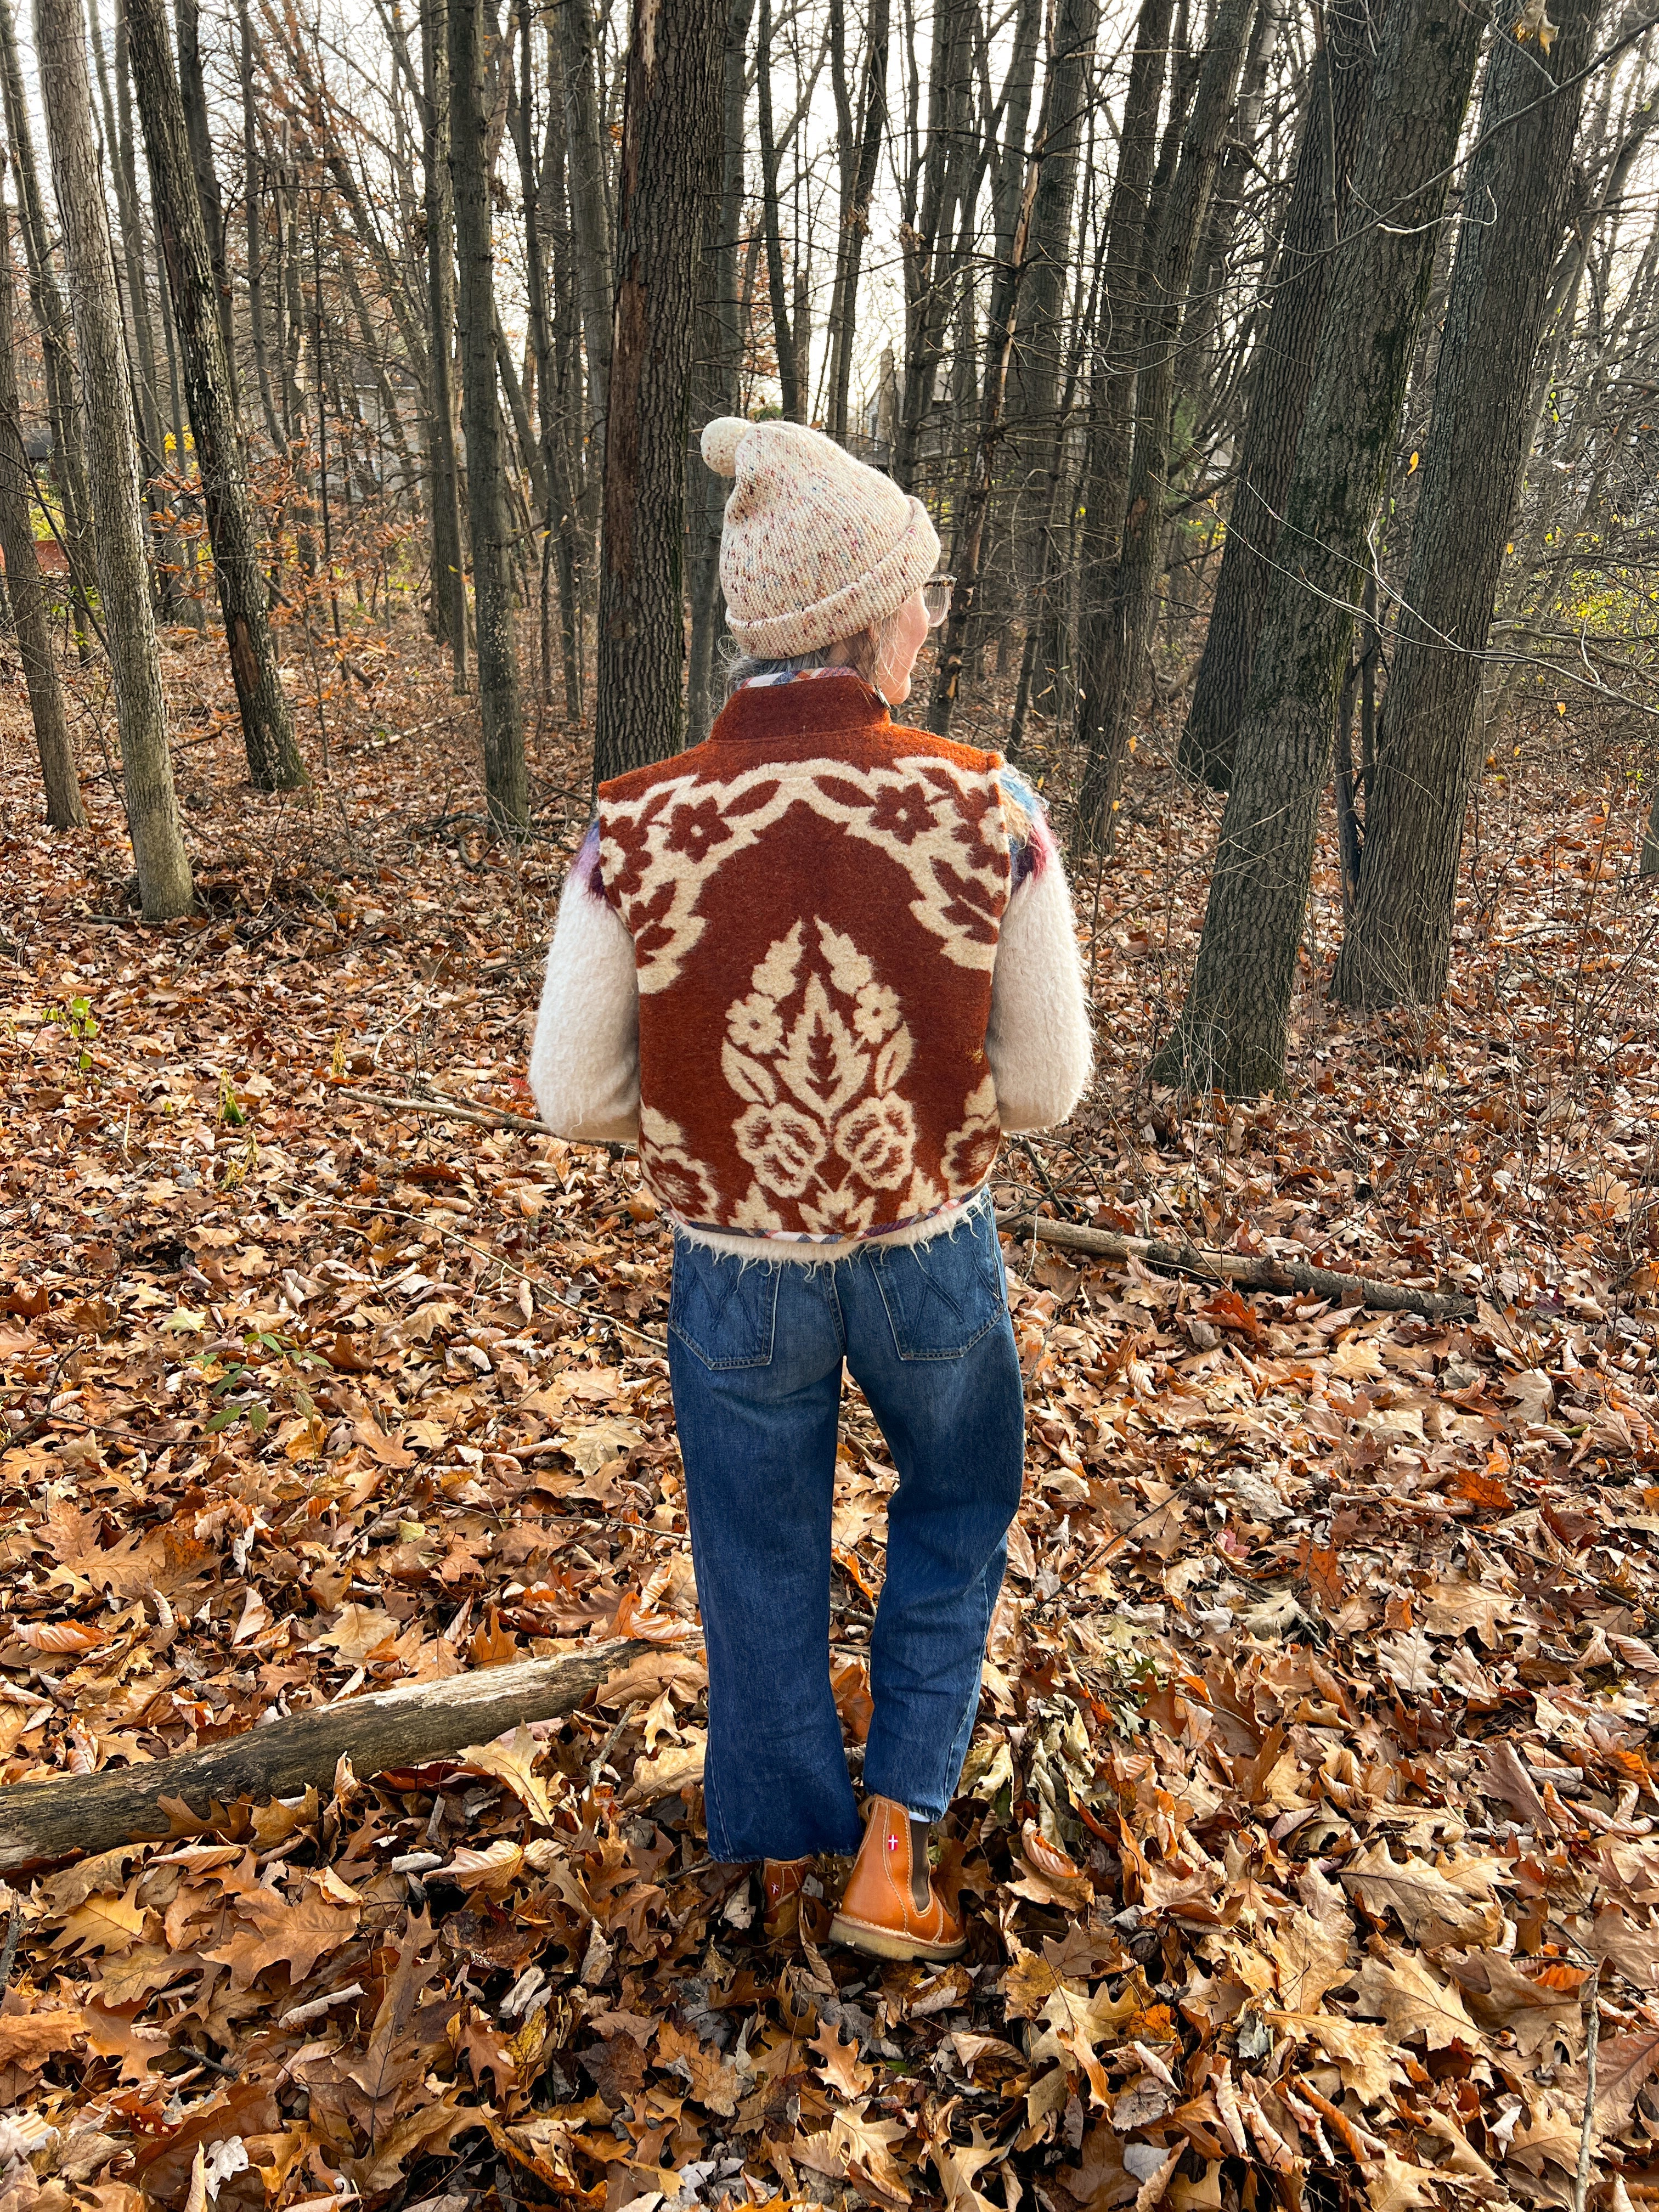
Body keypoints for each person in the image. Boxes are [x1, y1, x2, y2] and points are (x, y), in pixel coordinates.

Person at [529, 416, 1091, 1963]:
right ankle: (898, 1842)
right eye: (920, 592)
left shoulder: (634, 822)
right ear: (859, 618)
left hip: (734, 1265)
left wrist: (724, 1110)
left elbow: (573, 1096)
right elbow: (1044, 1091)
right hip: (929, 1251)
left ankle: (780, 1856)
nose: (930, 617)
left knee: (753, 1547)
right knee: (959, 1500)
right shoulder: (990, 801)